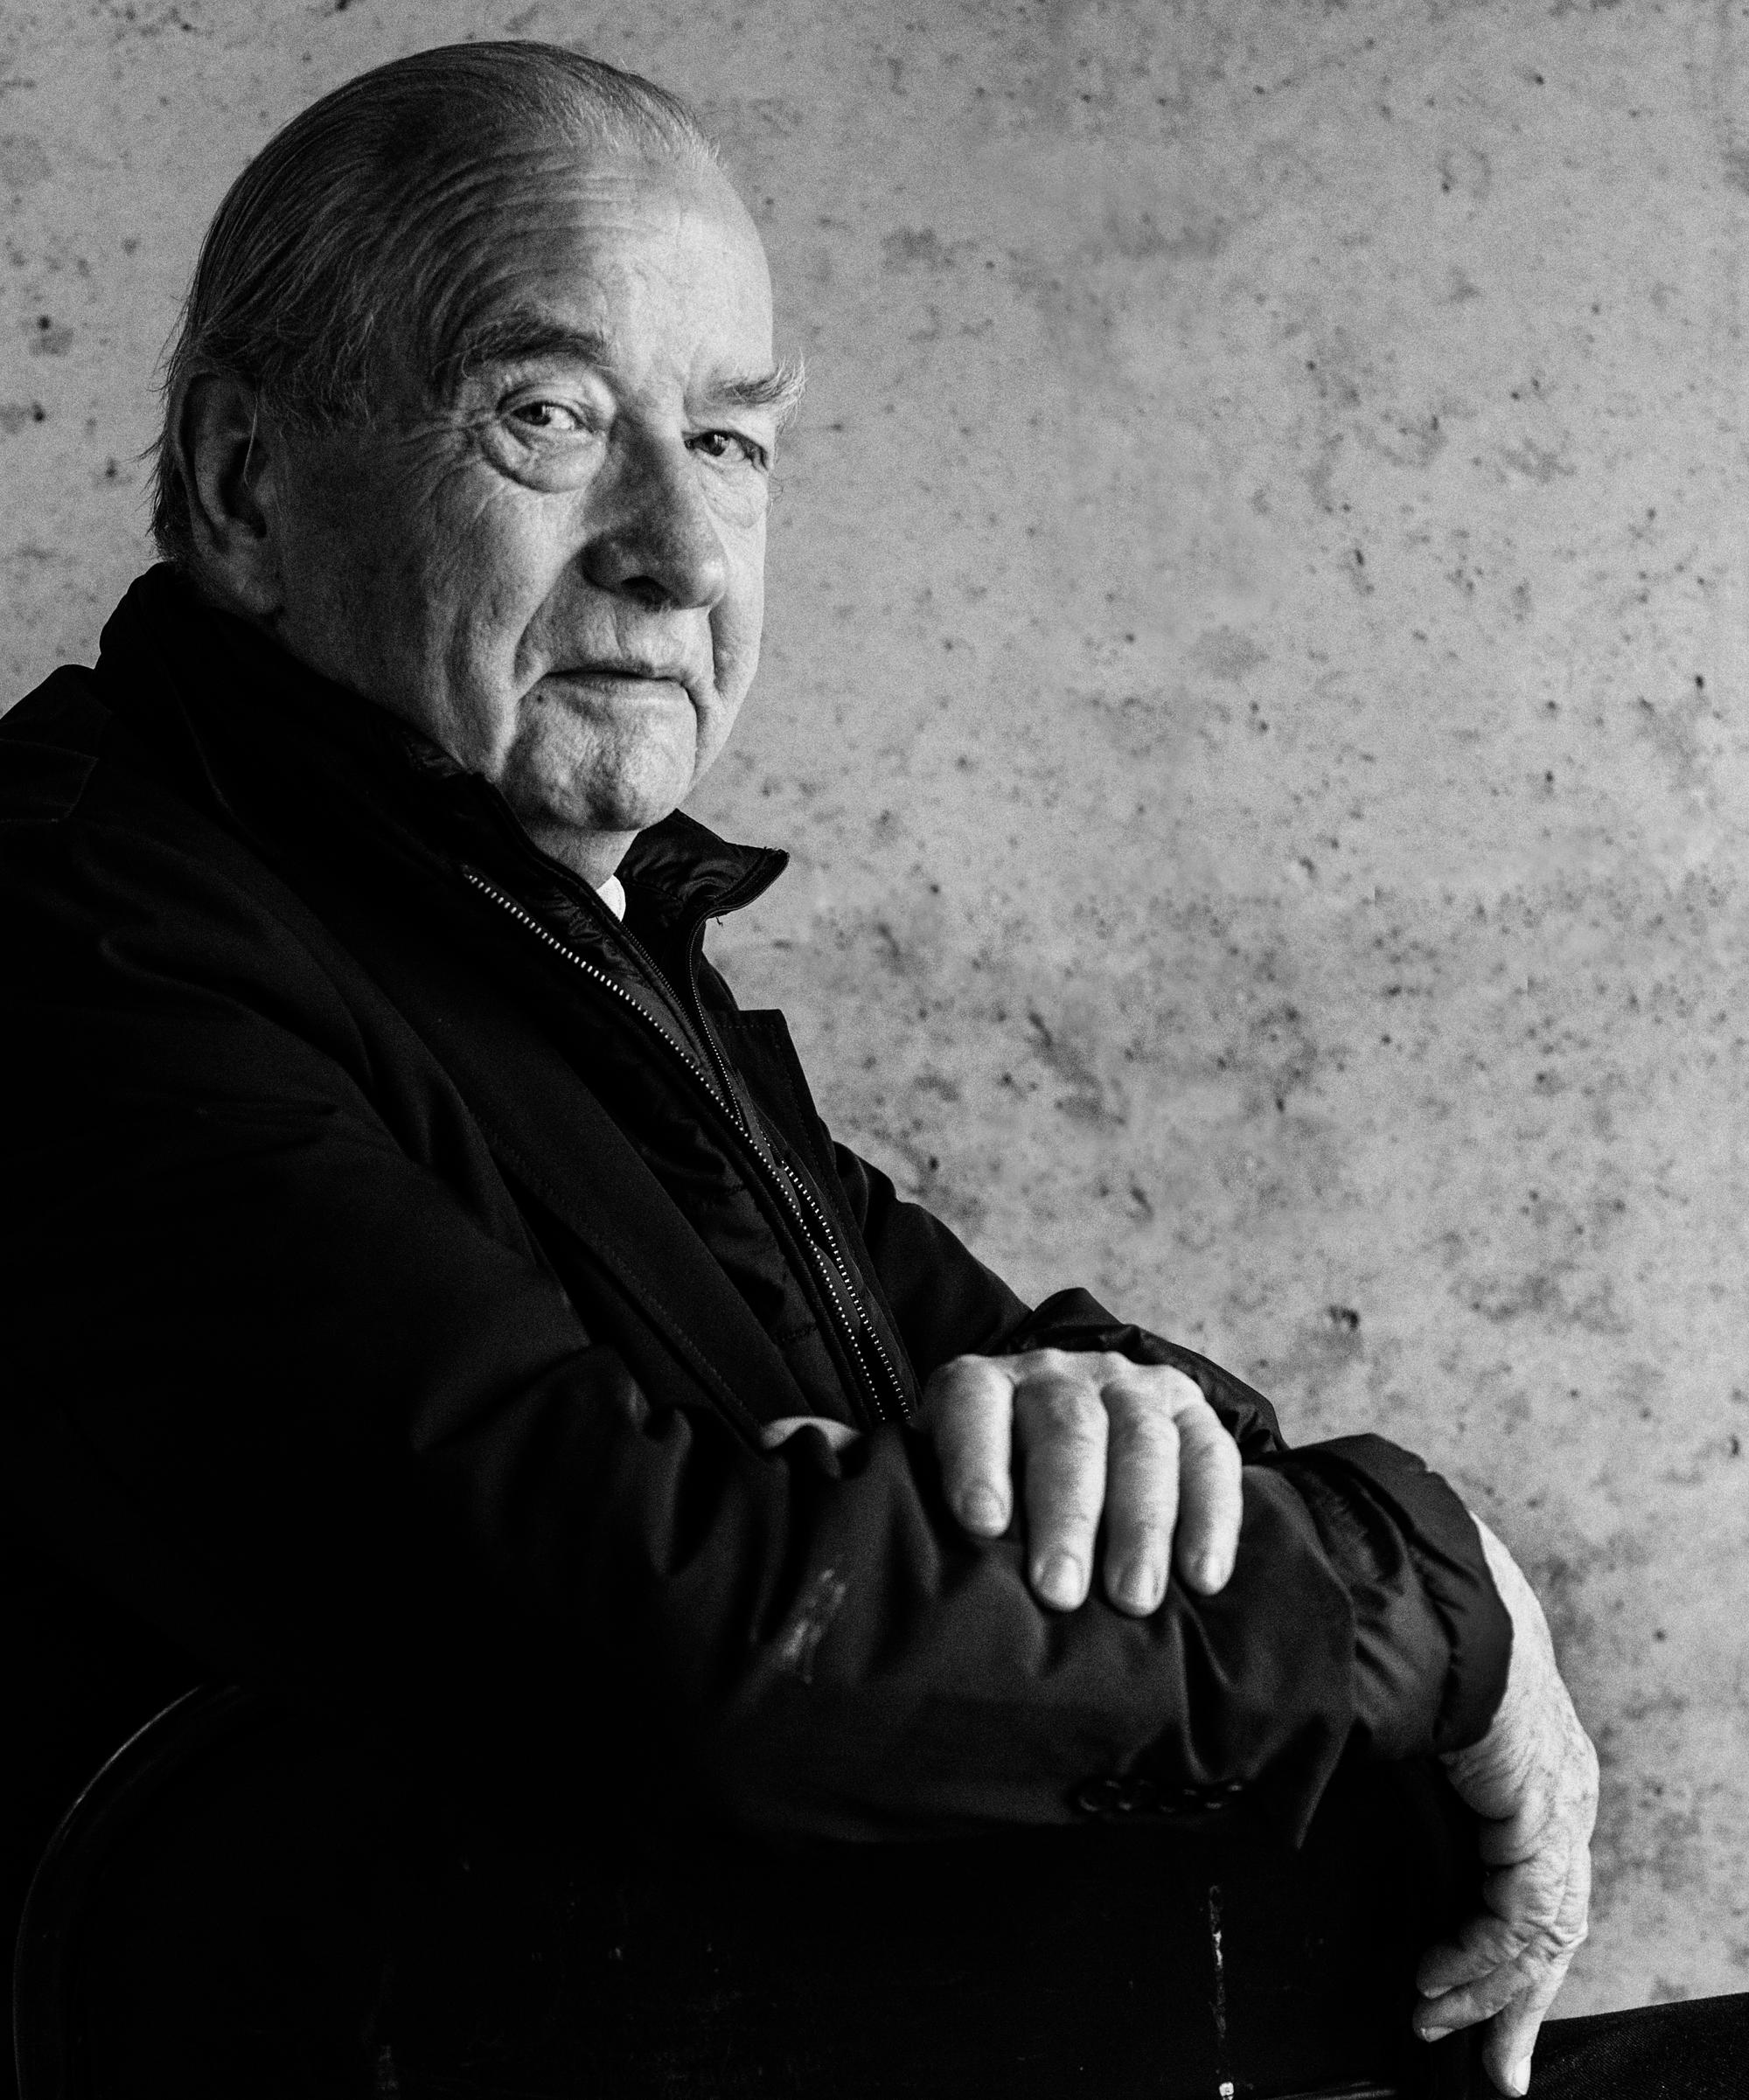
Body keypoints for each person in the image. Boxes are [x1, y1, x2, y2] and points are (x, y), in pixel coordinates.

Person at [0, 40, 1612, 2099]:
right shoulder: (69, 940)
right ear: (245, 484)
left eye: (736, 443)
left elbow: (1066, 1434)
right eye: (551, 419)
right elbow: (683, 1637)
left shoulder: (567, 952)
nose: (678, 551)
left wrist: (1142, 1450)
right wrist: (1425, 1587)